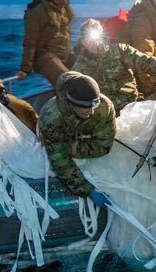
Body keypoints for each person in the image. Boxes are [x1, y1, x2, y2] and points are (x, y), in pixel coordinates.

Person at [72, 19, 156, 112]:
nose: (92, 43)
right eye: (87, 38)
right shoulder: (80, 66)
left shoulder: (120, 51)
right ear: (82, 41)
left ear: (101, 36)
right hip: (105, 114)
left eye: (95, 37)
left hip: (132, 105)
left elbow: (146, 62)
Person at [38, 71, 116, 205]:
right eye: (85, 108)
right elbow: (61, 162)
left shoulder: (104, 107)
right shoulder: (51, 118)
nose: (91, 112)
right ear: (72, 104)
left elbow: (104, 145)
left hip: (75, 141)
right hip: (58, 139)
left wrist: (74, 148)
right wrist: (88, 190)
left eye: (94, 105)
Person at [17, 0, 76, 85]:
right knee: (70, 82)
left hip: (65, 55)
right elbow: (30, 40)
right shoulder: (37, 10)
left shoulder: (65, 8)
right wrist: (25, 68)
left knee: (90, 73)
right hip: (45, 57)